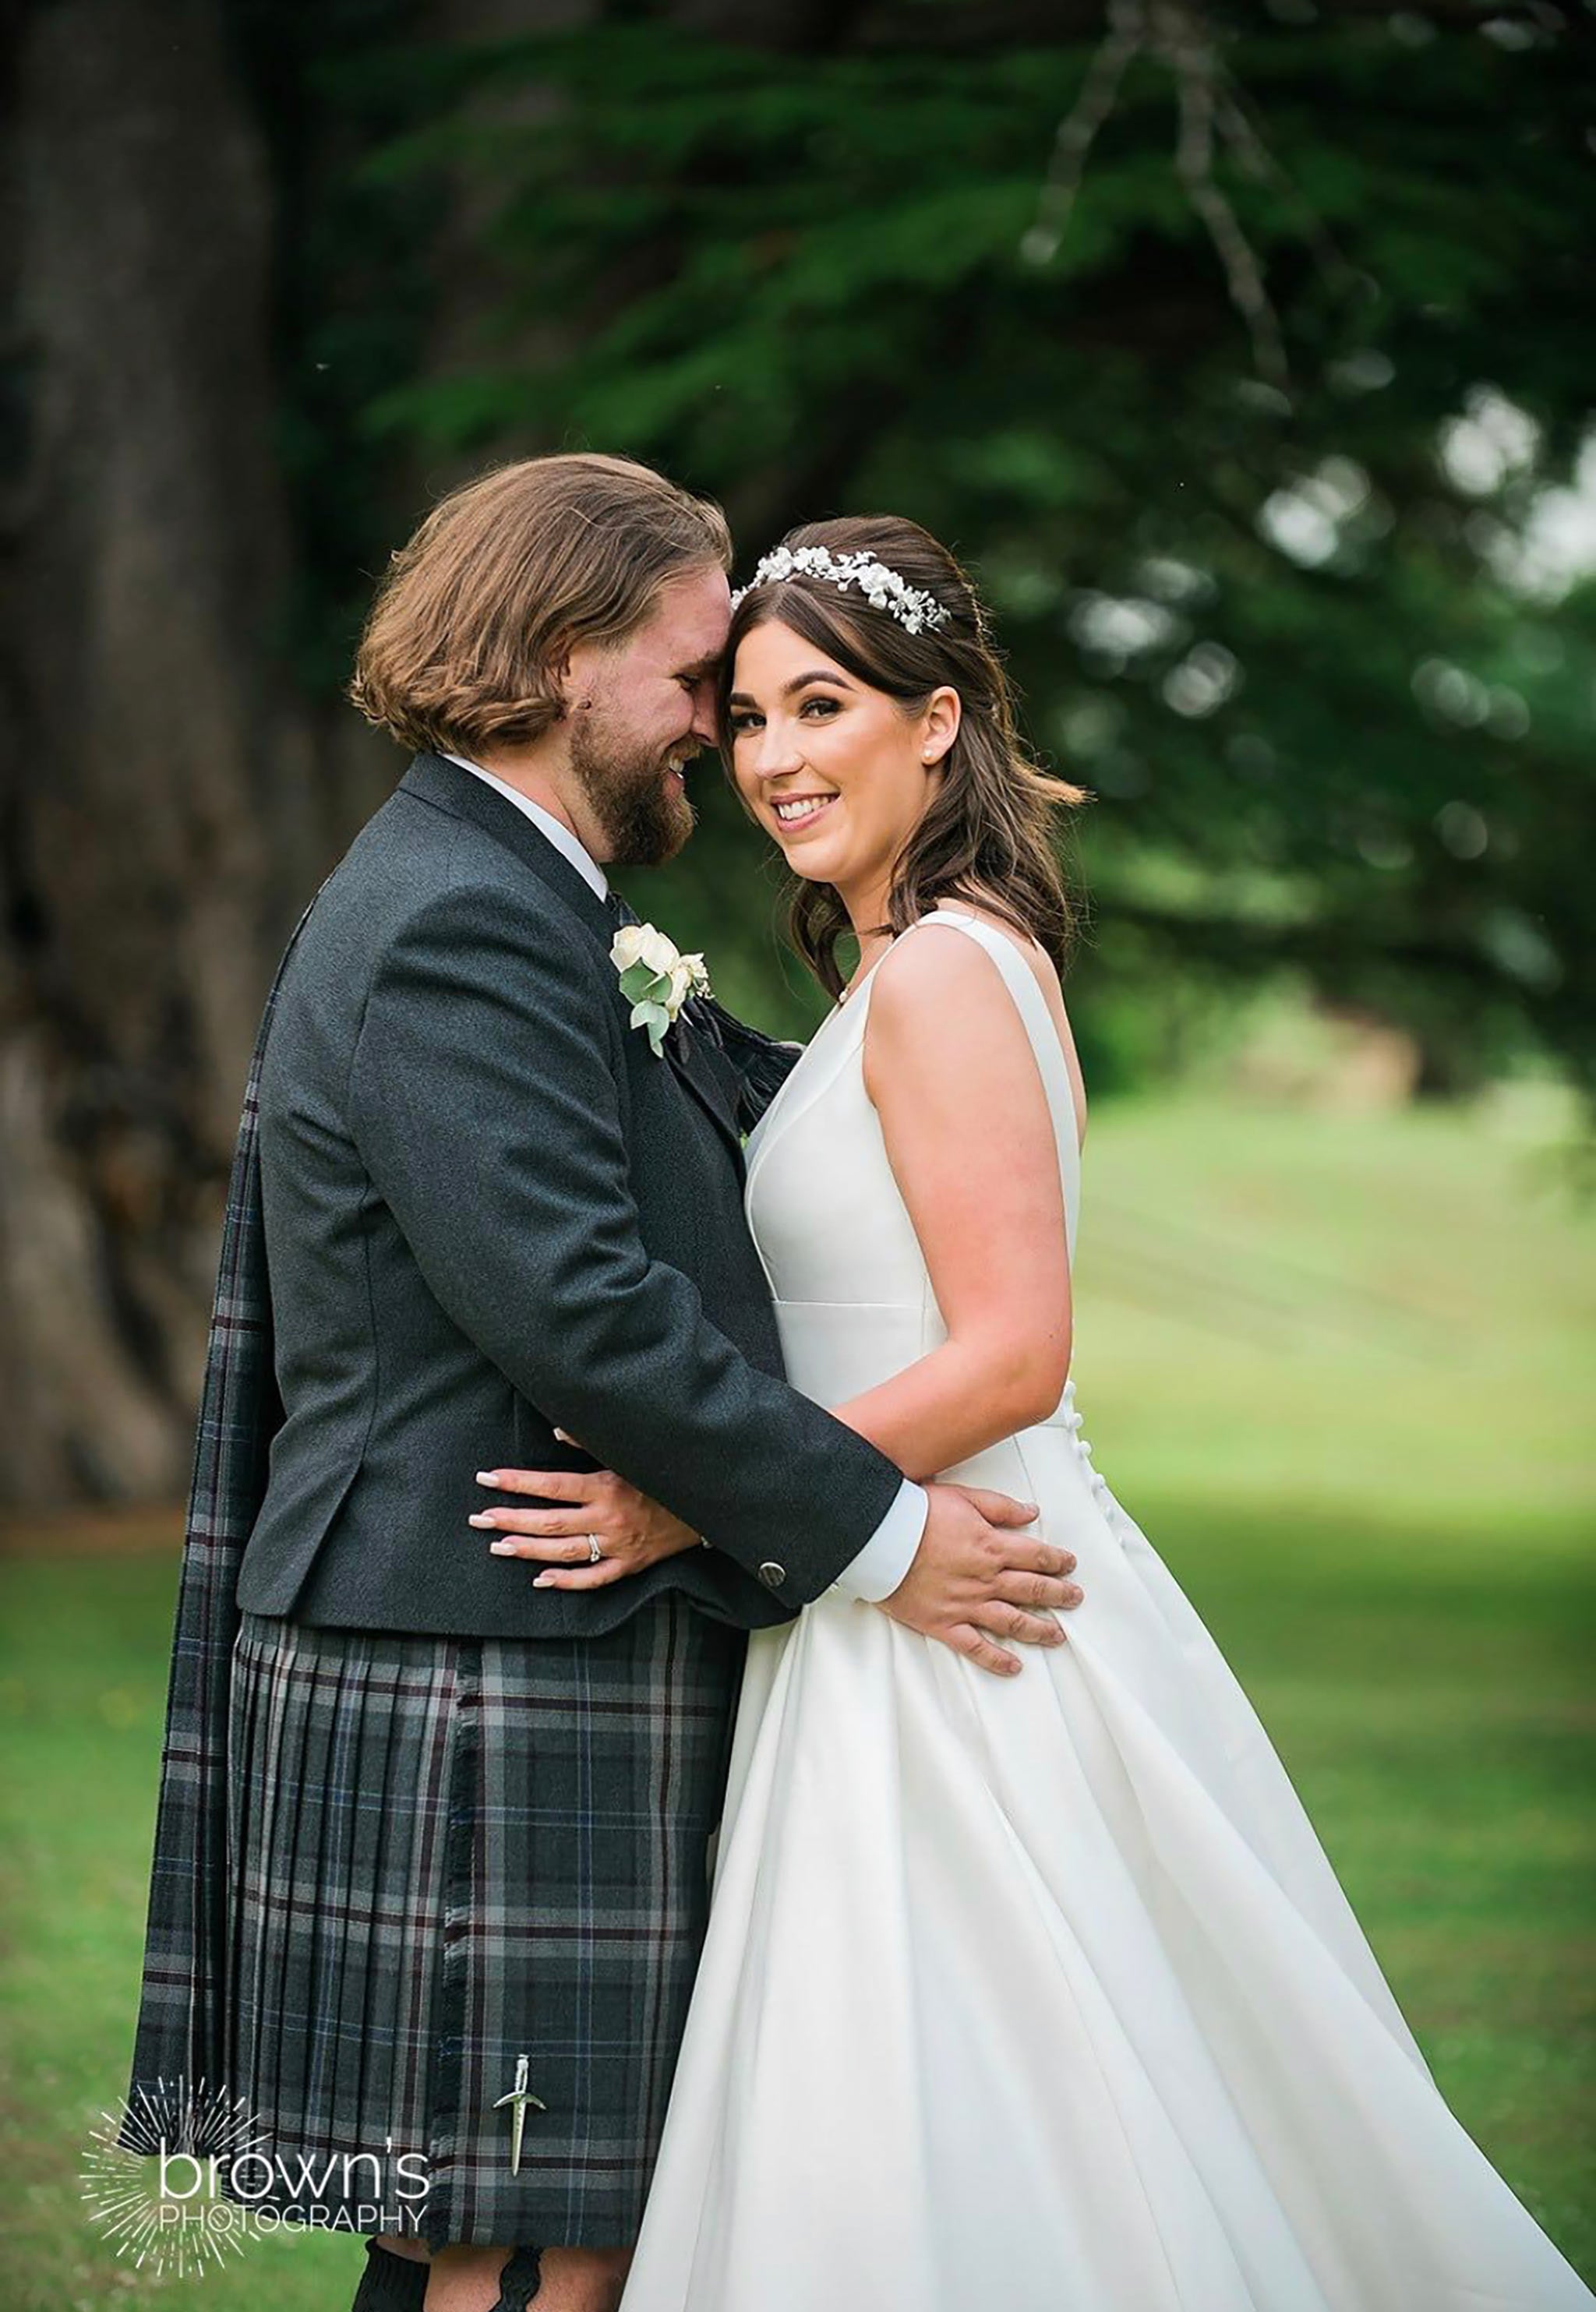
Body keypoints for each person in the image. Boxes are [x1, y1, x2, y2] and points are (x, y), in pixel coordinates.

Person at [488, 516, 1593, 2310]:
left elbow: (1012, 1353)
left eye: (820, 704)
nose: (773, 759)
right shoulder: (914, 964)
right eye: (747, 715)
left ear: (936, 723)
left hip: (960, 1602)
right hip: (880, 1582)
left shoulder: (939, 972)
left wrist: (702, 1500)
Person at [122, 461, 1086, 2312]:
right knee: (525, 2241)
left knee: (518, 2232)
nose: (712, 739)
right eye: (697, 683)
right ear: (570, 659)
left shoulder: (518, 897)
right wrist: (872, 1530)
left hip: (516, 1627)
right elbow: (576, 1307)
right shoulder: (459, 915)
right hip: (489, 1634)